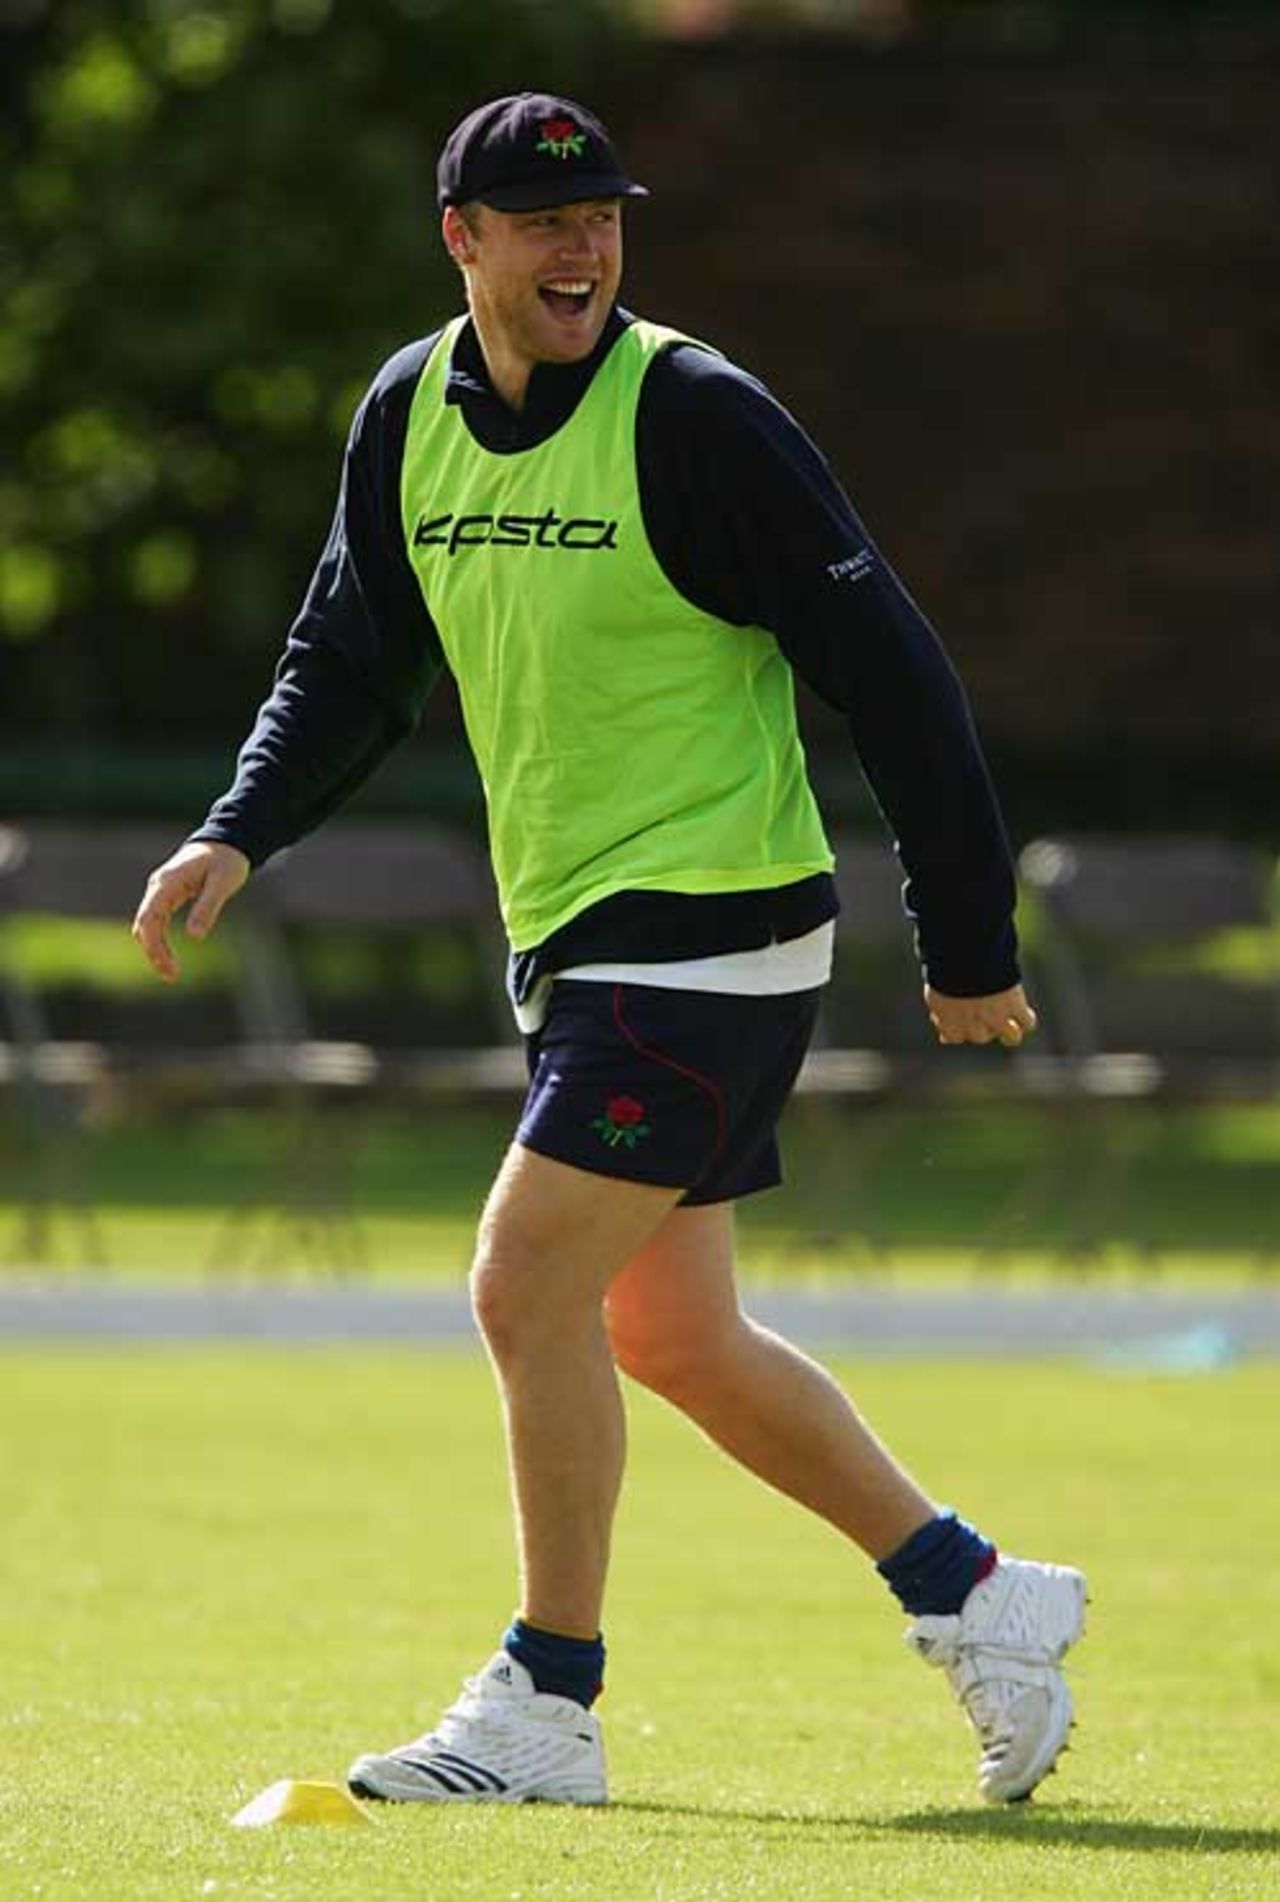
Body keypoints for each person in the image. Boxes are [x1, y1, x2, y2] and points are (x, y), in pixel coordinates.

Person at [132, 91, 1086, 1808]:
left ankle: (545, 1703)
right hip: (582, 937)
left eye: (603, 216)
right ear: (464, 241)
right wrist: (237, 826)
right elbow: (351, 652)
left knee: (520, 1281)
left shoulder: (697, 414)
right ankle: (983, 1594)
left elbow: (896, 669)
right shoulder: (405, 414)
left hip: (714, 926)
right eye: (539, 216)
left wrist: (966, 935)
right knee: (673, 1336)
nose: (582, 244)